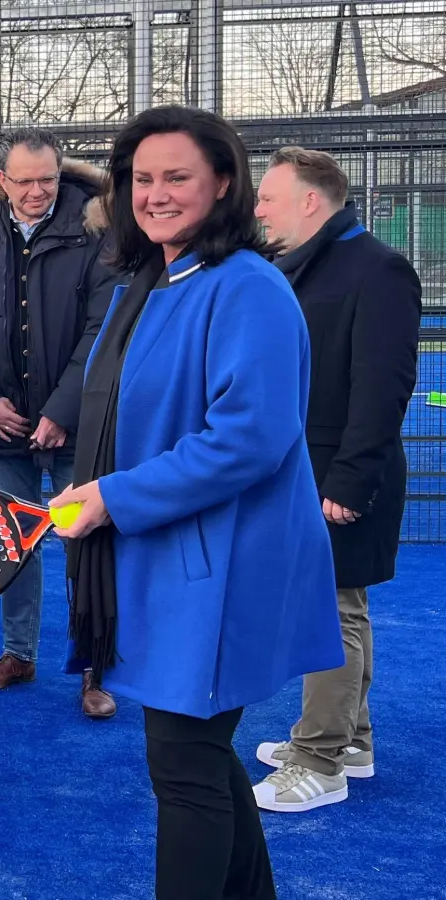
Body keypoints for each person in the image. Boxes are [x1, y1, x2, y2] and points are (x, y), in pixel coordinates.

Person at [49, 105, 343, 899]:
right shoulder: (146, 285)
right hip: (173, 562)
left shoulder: (248, 286)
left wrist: (111, 497)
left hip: (223, 571)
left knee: (182, 768)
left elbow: (249, 438)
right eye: (142, 178)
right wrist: (99, 492)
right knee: (199, 763)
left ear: (223, 183)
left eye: (176, 176)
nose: (156, 193)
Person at [249, 146, 421, 812]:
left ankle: (320, 762)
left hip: (345, 476)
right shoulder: (298, 266)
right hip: (307, 472)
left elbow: (384, 387)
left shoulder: (377, 269)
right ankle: (353, 741)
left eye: (268, 197)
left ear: (310, 201)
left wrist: (349, 482)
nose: (258, 208)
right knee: (343, 607)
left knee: (331, 612)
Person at [0, 127, 119, 718]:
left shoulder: (97, 234)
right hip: (2, 430)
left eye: (47, 180)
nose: (36, 192)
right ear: (3, 180)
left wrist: (62, 412)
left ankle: (95, 668)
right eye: (24, 181)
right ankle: (18, 654)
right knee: (12, 541)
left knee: (82, 542)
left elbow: (102, 330)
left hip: (76, 428)